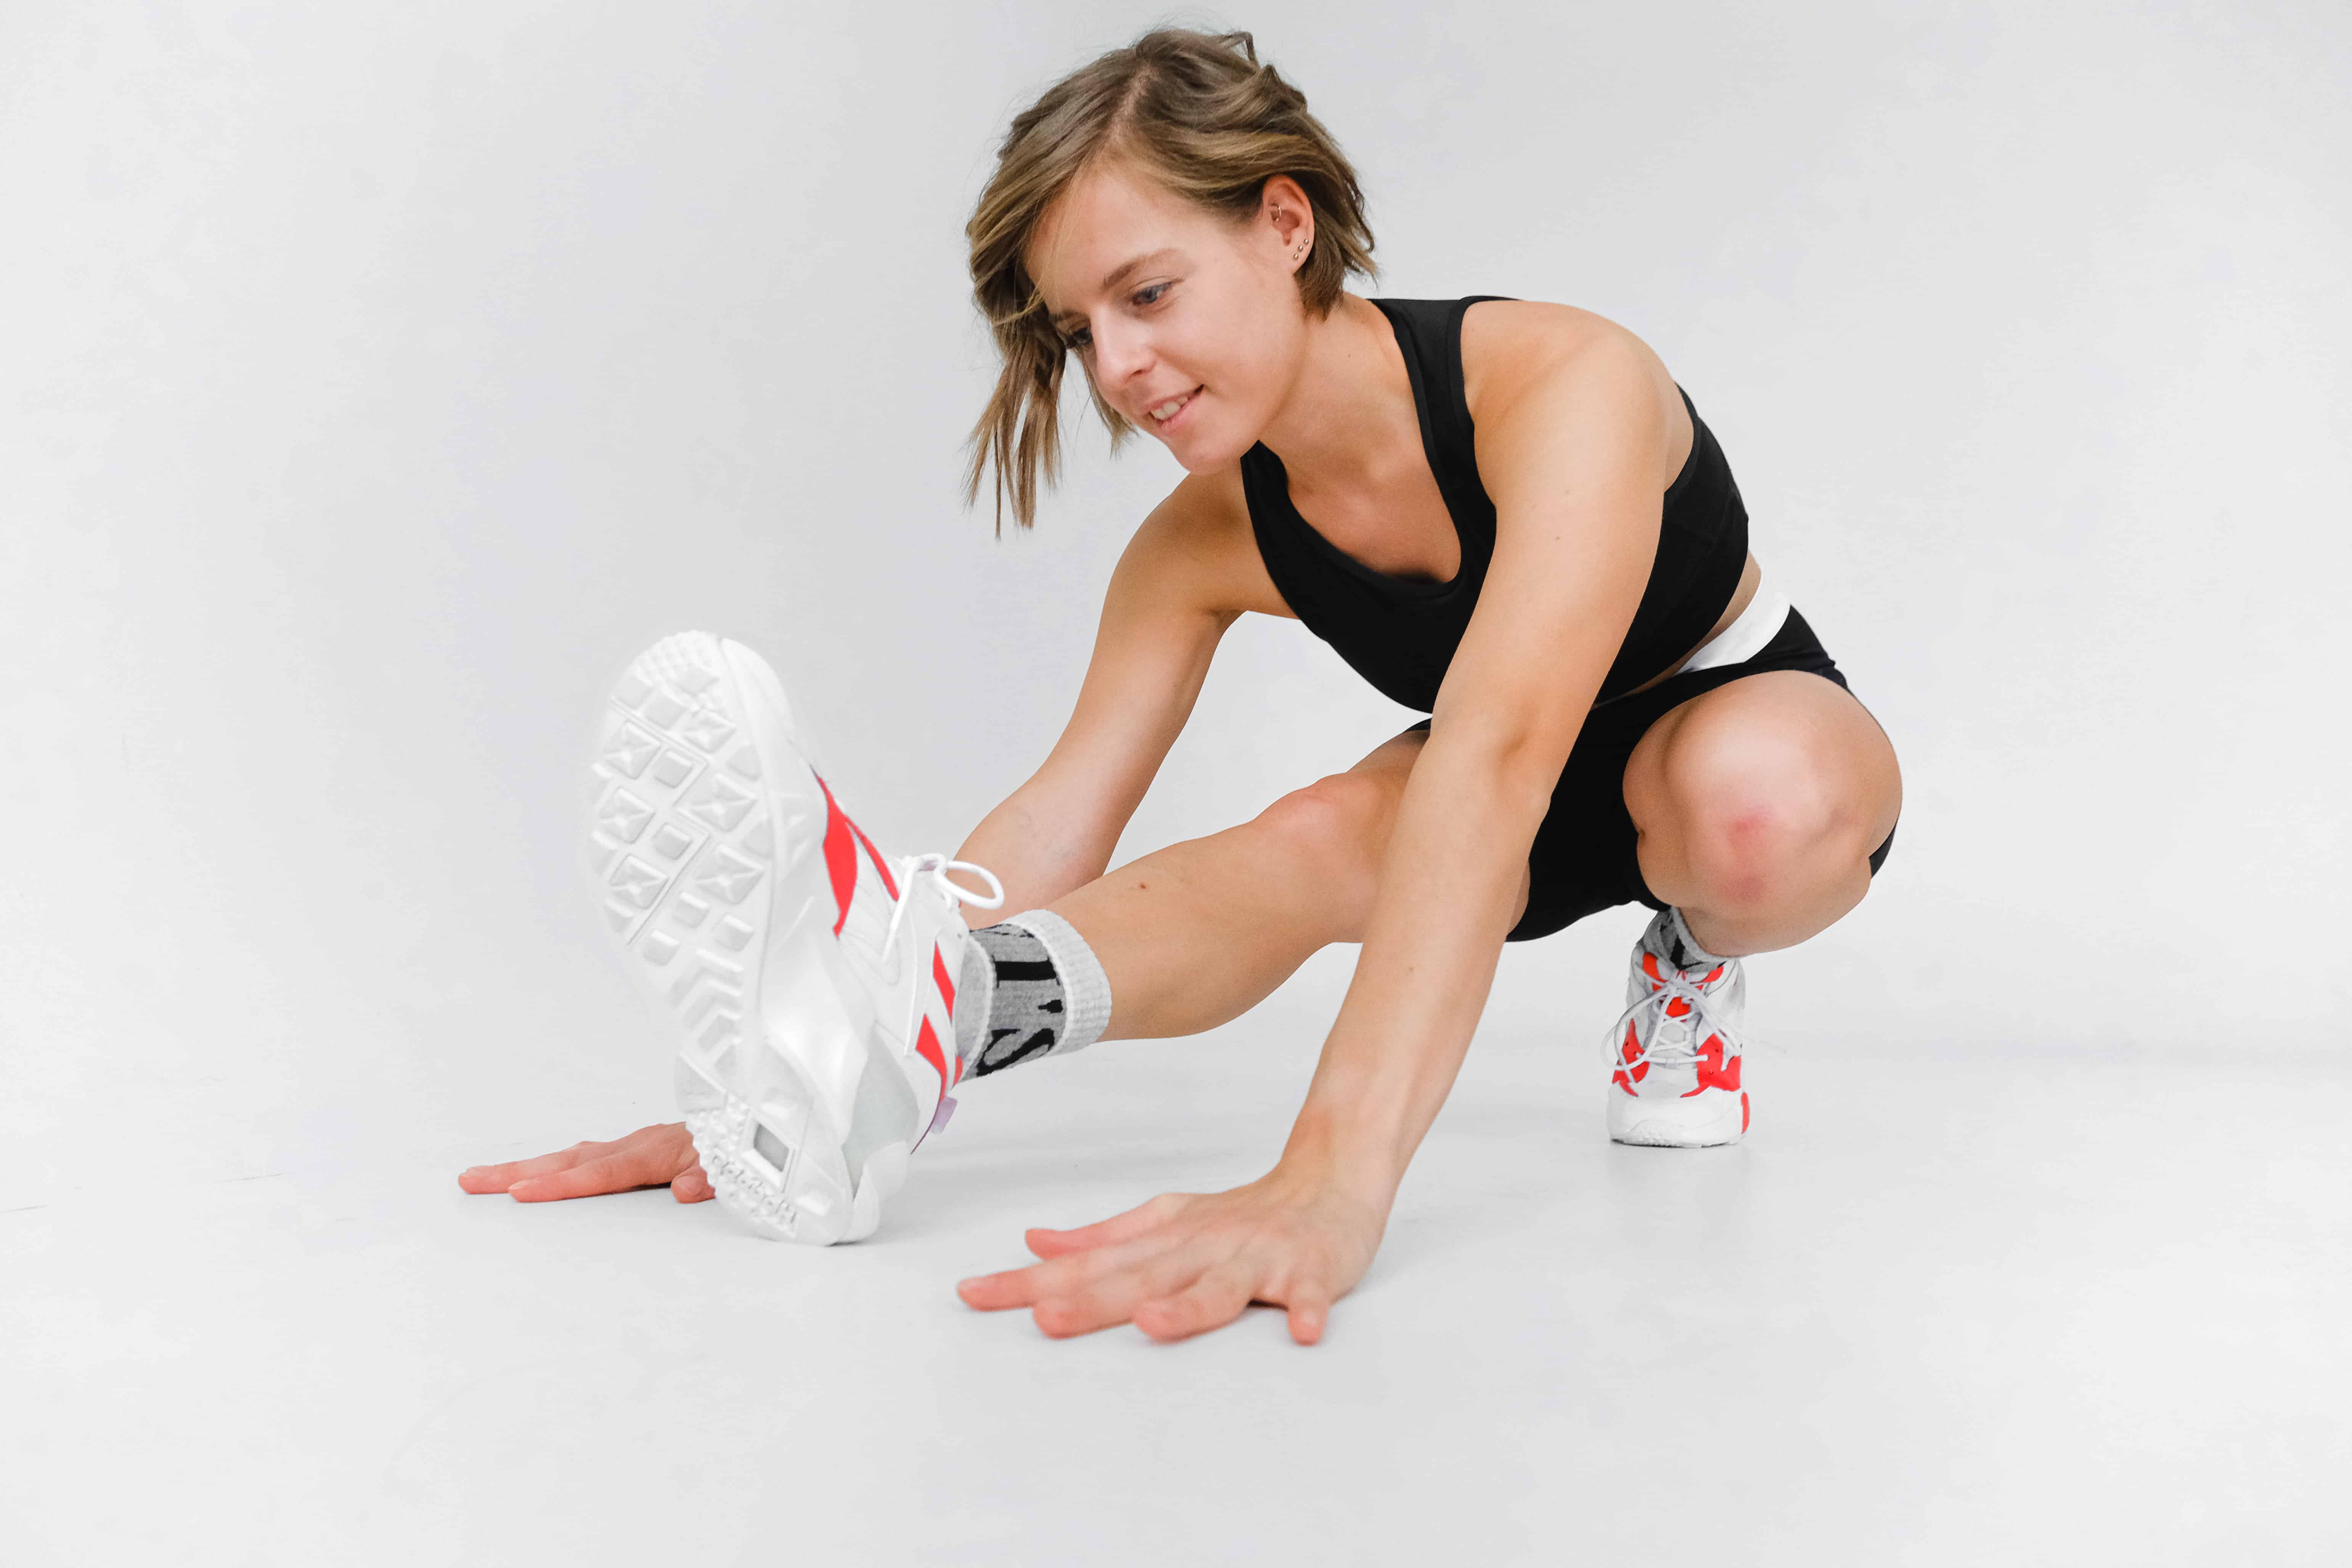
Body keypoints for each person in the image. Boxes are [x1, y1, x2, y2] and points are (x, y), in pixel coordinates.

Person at [458, 27, 1902, 1346]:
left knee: (1753, 809)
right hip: (1493, 760)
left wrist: (1329, 1181)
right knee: (1312, 838)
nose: (1120, 368)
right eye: (1082, 329)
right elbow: (1062, 819)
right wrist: (812, 1056)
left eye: (1147, 293)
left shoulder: (1563, 383)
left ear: (1284, 222)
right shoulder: (1204, 539)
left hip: (1719, 714)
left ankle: (1689, 966)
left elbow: (1502, 754)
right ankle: (920, 1031)